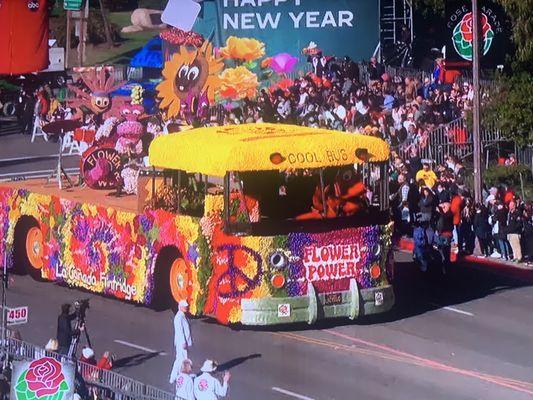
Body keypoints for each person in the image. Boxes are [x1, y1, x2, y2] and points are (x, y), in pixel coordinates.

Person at [172, 300, 192, 382]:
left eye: (186, 306)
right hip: (181, 343)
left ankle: (177, 377)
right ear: (180, 307)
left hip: (183, 343)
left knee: (181, 360)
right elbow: (180, 331)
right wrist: (183, 342)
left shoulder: (182, 316)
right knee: (181, 360)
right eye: (184, 306)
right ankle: (175, 377)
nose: (186, 307)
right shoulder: (179, 317)